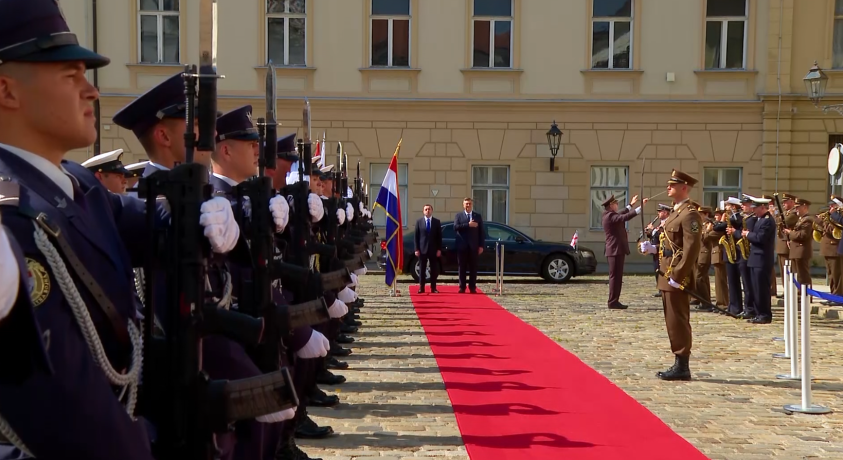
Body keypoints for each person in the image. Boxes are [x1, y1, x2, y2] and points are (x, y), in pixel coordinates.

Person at [0, 1, 239, 458]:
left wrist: (207, 209)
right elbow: (66, 402)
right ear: (7, 90)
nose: (91, 91)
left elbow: (155, 226)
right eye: (70, 76)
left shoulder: (79, 184)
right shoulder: (11, 214)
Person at [639, 169, 701, 381]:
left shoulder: (689, 213)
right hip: (666, 272)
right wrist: (653, 249)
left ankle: (682, 365)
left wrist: (678, 274)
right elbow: (672, 245)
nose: (668, 188)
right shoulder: (675, 212)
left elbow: (691, 248)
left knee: (678, 319)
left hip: (676, 275)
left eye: (672, 185)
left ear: (684, 187)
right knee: (671, 319)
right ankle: (678, 361)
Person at [602, 193, 647, 309]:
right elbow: (623, 217)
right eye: (616, 204)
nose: (617, 205)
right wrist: (639, 208)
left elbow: (622, 213)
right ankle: (612, 301)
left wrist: (631, 204)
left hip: (617, 250)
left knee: (618, 277)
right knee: (615, 277)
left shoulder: (610, 214)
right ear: (611, 205)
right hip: (614, 250)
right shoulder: (609, 216)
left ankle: (615, 300)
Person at [742, 195, 776, 324]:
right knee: (755, 288)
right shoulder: (759, 219)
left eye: (755, 208)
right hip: (754, 258)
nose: (753, 210)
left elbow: (760, 238)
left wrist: (748, 234)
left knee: (761, 289)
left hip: (762, 259)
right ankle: (758, 312)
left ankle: (764, 314)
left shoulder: (767, 220)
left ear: (763, 207)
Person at [454, 197, 484, 293]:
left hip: (473, 246)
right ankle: (462, 287)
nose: (468, 205)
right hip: (462, 246)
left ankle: (472, 287)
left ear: (472, 205)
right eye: (466, 203)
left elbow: (481, 232)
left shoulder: (477, 216)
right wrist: (468, 225)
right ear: (463, 205)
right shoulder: (459, 216)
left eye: (469, 203)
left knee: (473, 268)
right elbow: (455, 227)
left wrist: (481, 246)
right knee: (461, 267)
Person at [785, 198, 814, 291]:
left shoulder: (808, 220)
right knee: (797, 275)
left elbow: (803, 235)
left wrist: (790, 233)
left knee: (803, 276)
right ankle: (799, 294)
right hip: (796, 251)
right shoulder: (801, 219)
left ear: (805, 207)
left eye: (798, 207)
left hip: (802, 251)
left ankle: (805, 295)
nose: (796, 209)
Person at [414, 204, 442, 293]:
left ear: (432, 211)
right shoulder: (419, 222)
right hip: (422, 249)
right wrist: (416, 249)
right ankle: (421, 288)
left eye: (429, 209)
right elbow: (416, 237)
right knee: (422, 269)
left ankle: (433, 288)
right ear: (423, 211)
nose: (427, 211)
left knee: (433, 269)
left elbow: (439, 237)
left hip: (433, 249)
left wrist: (439, 249)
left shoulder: (436, 222)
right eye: (426, 209)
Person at [775, 193, 799, 299]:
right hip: (781, 243)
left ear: (792, 202)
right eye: (783, 202)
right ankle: (787, 290)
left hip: (787, 244)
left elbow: (786, 221)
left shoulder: (794, 213)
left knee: (789, 270)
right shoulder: (785, 213)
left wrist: (775, 214)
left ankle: (792, 291)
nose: (783, 204)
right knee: (783, 270)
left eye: (785, 202)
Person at [645, 204, 671, 298]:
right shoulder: (660, 223)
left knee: (662, 270)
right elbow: (655, 236)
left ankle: (663, 288)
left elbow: (663, 236)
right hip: (655, 250)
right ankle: (660, 288)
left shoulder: (667, 223)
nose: (658, 213)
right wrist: (649, 233)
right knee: (656, 269)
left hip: (662, 250)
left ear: (665, 212)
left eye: (660, 212)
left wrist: (652, 230)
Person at [695, 206, 715, 310]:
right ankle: (705, 302)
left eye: (701, 214)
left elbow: (706, 239)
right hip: (700, 253)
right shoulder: (702, 224)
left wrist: (707, 231)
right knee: (702, 279)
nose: (700, 216)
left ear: (706, 214)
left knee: (699, 278)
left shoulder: (710, 225)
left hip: (705, 254)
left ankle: (706, 302)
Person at [710, 208, 729, 308]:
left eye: (718, 215)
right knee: (718, 282)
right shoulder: (717, 226)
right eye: (715, 215)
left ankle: (723, 303)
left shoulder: (721, 227)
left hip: (720, 255)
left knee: (721, 281)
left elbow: (708, 236)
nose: (715, 217)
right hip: (716, 254)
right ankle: (720, 302)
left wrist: (721, 222)